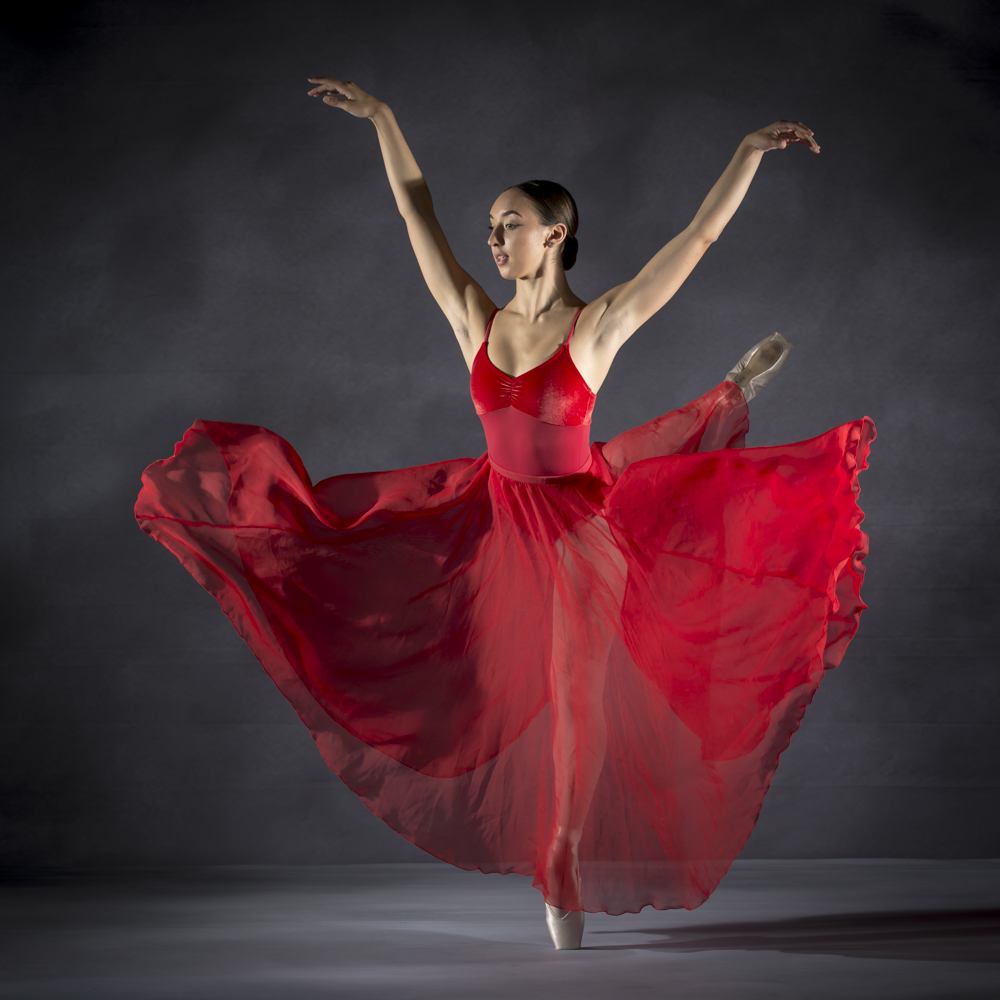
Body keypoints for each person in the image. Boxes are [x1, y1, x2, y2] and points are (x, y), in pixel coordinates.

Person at [135, 78, 874, 951]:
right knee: (430, 646)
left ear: (555, 233)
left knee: (571, 709)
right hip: (487, 526)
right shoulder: (473, 322)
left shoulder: (595, 328)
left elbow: (698, 238)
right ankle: (550, 862)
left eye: (509, 223)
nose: (492, 238)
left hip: (578, 540)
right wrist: (384, 119)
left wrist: (747, 153)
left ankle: (560, 866)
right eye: (490, 226)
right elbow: (417, 215)